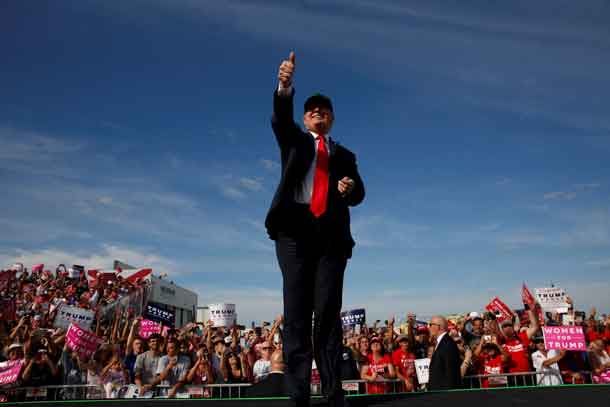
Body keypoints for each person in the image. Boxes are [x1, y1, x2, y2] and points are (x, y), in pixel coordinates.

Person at [266, 51, 365, 407]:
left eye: (324, 111)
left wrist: (349, 188)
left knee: (326, 314)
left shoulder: (345, 156)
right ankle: (298, 395)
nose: (318, 114)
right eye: (312, 111)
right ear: (306, 117)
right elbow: (280, 118)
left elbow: (360, 193)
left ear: (333, 118)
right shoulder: (293, 140)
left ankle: (333, 392)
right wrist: (285, 86)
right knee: (295, 314)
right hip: (293, 232)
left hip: (331, 238)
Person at [427, 316, 461, 390]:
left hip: (444, 394)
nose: (429, 328)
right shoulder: (441, 343)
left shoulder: (448, 344)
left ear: (438, 327)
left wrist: (448, 395)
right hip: (438, 392)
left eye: (430, 325)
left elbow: (451, 372)